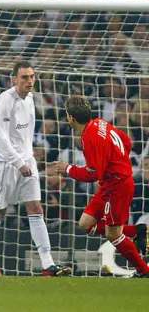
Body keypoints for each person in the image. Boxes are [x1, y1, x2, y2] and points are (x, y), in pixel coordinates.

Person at [0, 61, 71, 277]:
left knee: (36, 209)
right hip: (6, 166)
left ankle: (48, 264)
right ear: (14, 79)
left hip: (26, 162)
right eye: (24, 77)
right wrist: (18, 162)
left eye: (32, 76)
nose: (29, 80)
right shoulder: (5, 100)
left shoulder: (30, 99)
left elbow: (25, 135)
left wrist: (29, 157)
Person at [53, 96, 149, 278]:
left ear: (71, 118)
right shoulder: (99, 123)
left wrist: (67, 168)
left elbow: (92, 174)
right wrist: (118, 159)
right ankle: (138, 231)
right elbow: (126, 140)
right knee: (86, 224)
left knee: (113, 235)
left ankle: (144, 270)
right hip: (110, 184)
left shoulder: (90, 138)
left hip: (117, 186)